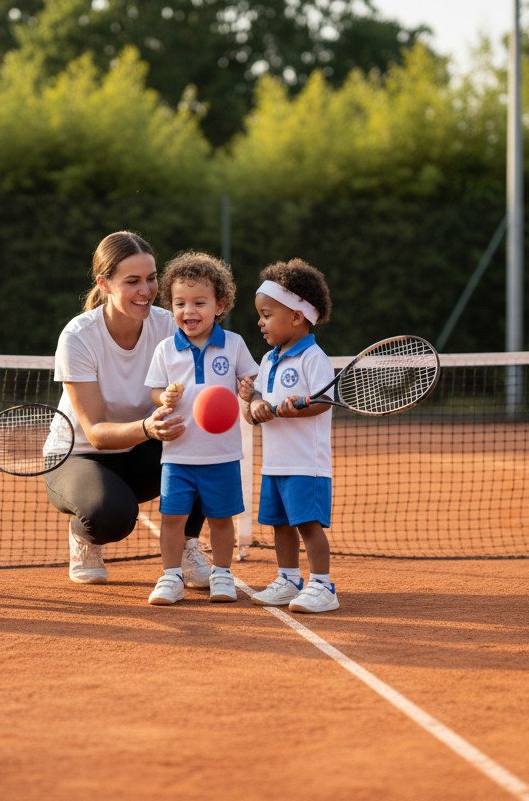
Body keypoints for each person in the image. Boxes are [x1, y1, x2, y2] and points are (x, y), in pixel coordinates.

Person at [44, 231, 211, 586]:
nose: (146, 290)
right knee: (111, 516)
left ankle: (186, 544)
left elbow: (208, 374)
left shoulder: (169, 324)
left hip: (139, 452)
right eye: (132, 281)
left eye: (151, 279)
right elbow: (96, 433)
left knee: (205, 447)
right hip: (79, 456)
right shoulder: (78, 336)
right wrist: (149, 428)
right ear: (104, 283)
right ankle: (83, 535)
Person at [142, 252, 258, 606]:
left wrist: (248, 389)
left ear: (219, 305)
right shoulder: (166, 349)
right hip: (177, 453)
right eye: (180, 303)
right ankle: (171, 576)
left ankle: (222, 573)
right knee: (172, 518)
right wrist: (166, 397)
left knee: (222, 519)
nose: (188, 311)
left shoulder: (234, 343)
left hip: (222, 454)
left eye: (199, 302)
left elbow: (249, 379)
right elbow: (154, 390)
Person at [240, 259, 340, 613]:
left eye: (267, 314)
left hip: (306, 465)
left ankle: (323, 586)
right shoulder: (268, 359)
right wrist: (255, 405)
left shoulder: (314, 358)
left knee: (307, 525)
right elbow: (256, 403)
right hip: (275, 464)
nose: (260, 322)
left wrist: (299, 406)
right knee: (280, 524)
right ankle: (287, 578)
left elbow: (324, 400)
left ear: (296, 317)